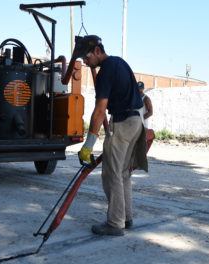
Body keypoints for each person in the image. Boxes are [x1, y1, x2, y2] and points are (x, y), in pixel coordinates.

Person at [77, 35, 148, 236]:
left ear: (98, 50)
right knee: (123, 173)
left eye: (86, 56)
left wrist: (88, 145)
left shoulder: (106, 70)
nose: (85, 61)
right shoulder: (120, 63)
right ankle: (126, 217)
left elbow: (100, 110)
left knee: (111, 174)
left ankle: (115, 223)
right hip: (136, 122)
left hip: (122, 123)